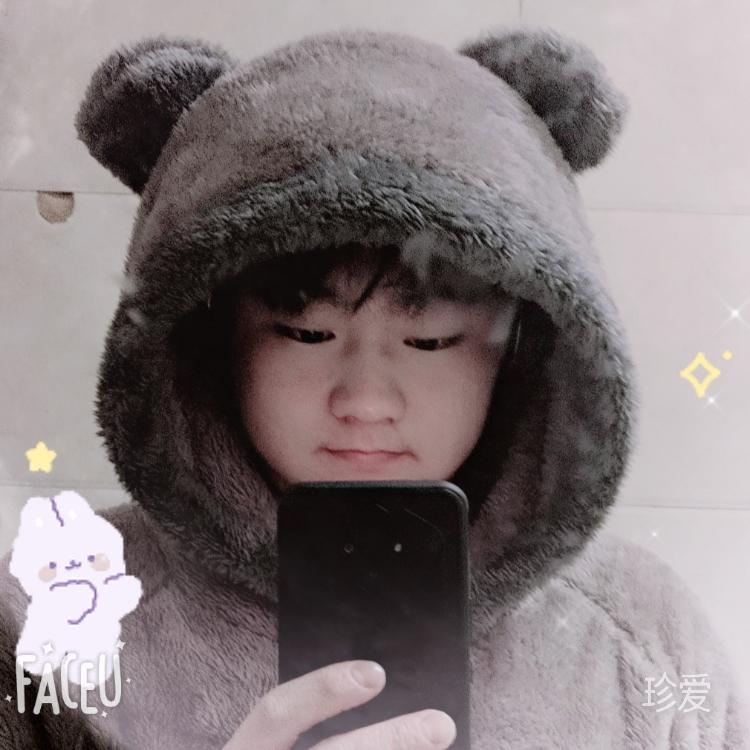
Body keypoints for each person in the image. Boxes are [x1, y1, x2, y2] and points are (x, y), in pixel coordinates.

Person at [0, 23, 748, 750]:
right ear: (211, 340)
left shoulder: (643, 636)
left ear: (522, 350)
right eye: (306, 334)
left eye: (430, 341)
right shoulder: (55, 613)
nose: (365, 402)